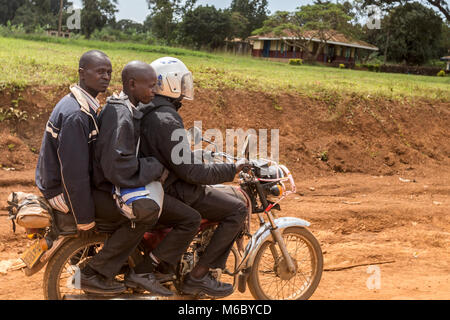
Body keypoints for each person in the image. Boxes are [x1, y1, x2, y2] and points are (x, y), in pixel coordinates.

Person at [35, 51, 153, 295]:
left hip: (60, 184)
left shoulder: (80, 104)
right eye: (99, 71)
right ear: (81, 73)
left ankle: (101, 262)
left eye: (109, 72)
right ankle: (99, 272)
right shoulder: (76, 115)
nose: (106, 77)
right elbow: (74, 175)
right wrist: (85, 219)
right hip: (64, 192)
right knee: (139, 213)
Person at [138, 57, 250, 298]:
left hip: (154, 183)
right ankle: (199, 276)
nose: (186, 86)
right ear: (170, 83)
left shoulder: (148, 110)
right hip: (174, 188)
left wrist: (193, 154)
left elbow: (173, 156)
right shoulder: (167, 118)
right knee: (236, 210)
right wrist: (232, 169)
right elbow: (192, 173)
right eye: (182, 80)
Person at [93, 61, 180, 296]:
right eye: (150, 86)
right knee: (147, 213)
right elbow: (118, 166)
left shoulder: (126, 107)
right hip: (107, 187)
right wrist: (154, 166)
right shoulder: (120, 114)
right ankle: (98, 271)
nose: (154, 91)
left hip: (111, 181)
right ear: (132, 84)